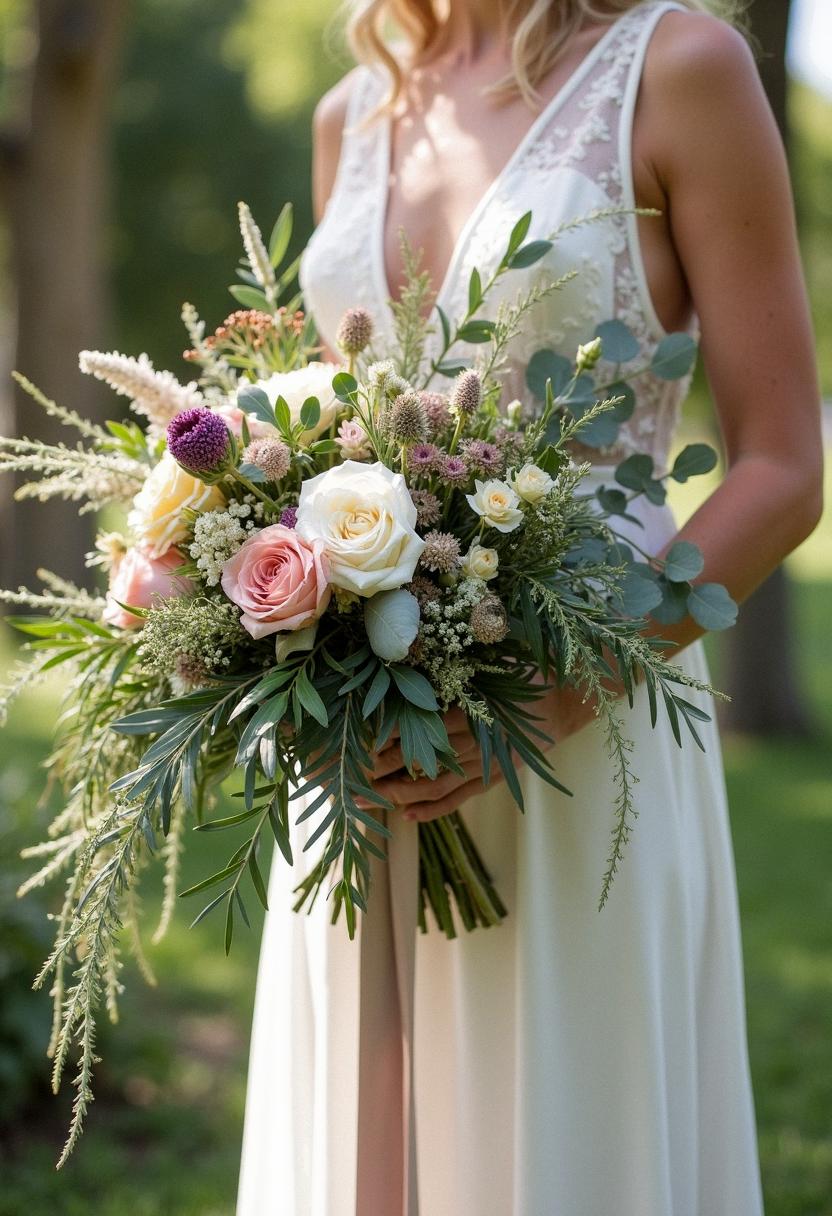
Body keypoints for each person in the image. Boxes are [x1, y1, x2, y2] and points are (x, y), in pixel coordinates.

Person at [236, 1, 823, 1212]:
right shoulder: (353, 109)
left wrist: (557, 692)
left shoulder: (678, 66)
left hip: (587, 718)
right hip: (361, 730)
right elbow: (341, 426)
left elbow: (781, 464)